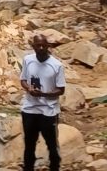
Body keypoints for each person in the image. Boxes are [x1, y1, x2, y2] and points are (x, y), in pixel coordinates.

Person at [20, 33, 66, 171]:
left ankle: (55, 167)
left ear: (48, 46)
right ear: (33, 46)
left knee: (52, 145)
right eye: (37, 45)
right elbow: (22, 80)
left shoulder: (56, 65)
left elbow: (61, 89)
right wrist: (29, 88)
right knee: (29, 144)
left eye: (43, 45)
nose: (40, 48)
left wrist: (44, 94)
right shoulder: (28, 60)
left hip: (48, 110)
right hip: (30, 109)